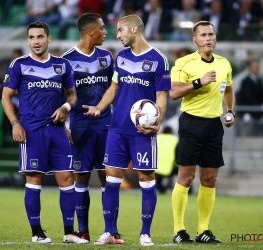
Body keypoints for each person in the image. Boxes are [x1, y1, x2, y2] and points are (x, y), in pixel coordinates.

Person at [83, 14, 171, 246]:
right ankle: (109, 232)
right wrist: (99, 108)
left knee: (146, 179)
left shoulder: (158, 59)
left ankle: (145, 233)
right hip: (117, 129)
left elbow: (161, 97)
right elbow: (114, 88)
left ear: (134, 29)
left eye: (120, 30)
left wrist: (158, 121)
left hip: (142, 132)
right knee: (111, 180)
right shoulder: (120, 57)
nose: (117, 35)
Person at [1, 21, 89, 244]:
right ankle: (37, 232)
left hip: (57, 130)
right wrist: (15, 123)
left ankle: (69, 232)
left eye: (40, 37)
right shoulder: (19, 64)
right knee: (34, 179)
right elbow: (5, 96)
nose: (35, 42)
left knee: (67, 178)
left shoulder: (62, 65)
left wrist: (66, 108)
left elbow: (72, 95)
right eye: (31, 38)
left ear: (48, 39)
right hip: (31, 130)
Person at [170, 20, 235, 243]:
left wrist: (231, 111)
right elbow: (174, 93)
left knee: (209, 179)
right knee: (186, 177)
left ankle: (203, 231)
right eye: (204, 35)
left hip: (214, 126)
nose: (208, 38)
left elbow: (229, 89)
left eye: (211, 34)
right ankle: (178, 230)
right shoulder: (183, 63)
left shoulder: (224, 64)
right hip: (191, 123)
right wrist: (199, 82)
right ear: (195, 40)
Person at [60, 13, 123, 243]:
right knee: (82, 179)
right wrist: (64, 126)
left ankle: (111, 230)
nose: (106, 32)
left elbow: (113, 90)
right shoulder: (66, 61)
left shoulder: (107, 57)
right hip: (79, 126)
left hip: (107, 125)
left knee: (110, 178)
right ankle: (83, 230)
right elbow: (62, 97)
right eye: (102, 28)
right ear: (89, 32)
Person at [237, 59, 263, 135]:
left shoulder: (260, 81)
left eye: (257, 67)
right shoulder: (245, 82)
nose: (256, 68)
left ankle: (262, 132)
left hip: (260, 107)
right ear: (249, 68)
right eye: (254, 66)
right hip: (250, 108)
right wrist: (260, 105)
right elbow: (247, 97)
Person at [155, 126, 178, 194]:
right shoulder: (175, 139)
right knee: (172, 174)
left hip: (157, 163)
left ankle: (159, 188)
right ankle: (169, 187)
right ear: (171, 132)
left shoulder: (157, 138)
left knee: (158, 176)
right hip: (170, 163)